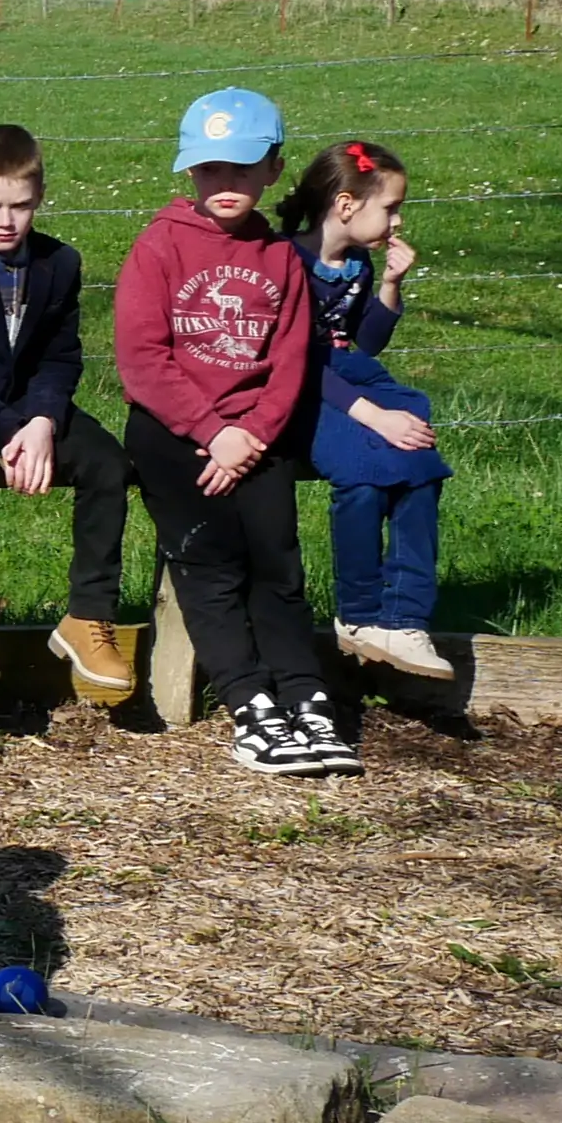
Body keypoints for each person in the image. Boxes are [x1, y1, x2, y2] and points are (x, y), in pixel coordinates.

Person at [117, 88, 351, 776]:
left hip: (257, 436)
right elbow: (142, 359)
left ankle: (306, 696)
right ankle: (250, 704)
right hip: (174, 431)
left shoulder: (280, 258)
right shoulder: (160, 246)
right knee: (210, 565)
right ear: (190, 171)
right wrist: (211, 430)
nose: (226, 183)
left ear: (273, 170)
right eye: (211, 169)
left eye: (243, 169)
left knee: (277, 563)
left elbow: (290, 359)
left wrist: (251, 435)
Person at [0, 123, 138, 708]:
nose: (6, 221)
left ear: (39, 196)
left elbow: (61, 356)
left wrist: (41, 420)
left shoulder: (59, 262)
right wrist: (9, 427)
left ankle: (89, 615)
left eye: (20, 206)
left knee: (108, 463)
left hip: (32, 410)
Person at [284, 136, 449, 683]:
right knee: (363, 473)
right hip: (301, 388)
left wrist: (392, 284)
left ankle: (404, 618)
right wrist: (374, 417)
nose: (397, 221)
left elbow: (368, 342)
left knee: (419, 461)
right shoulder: (285, 263)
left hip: (349, 377)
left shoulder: (355, 262)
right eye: (391, 207)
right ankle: (359, 615)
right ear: (346, 204)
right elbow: (298, 362)